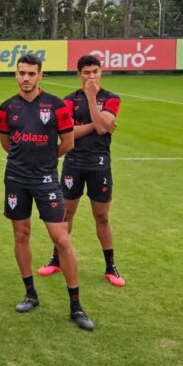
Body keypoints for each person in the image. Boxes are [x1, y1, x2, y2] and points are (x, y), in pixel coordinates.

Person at [0, 53, 93, 330]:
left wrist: (45, 161)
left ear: (40, 75)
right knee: (21, 233)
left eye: (31, 73)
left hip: (46, 180)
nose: (26, 78)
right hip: (16, 179)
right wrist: (24, 160)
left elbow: (67, 142)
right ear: (16, 74)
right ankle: (30, 293)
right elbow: (7, 143)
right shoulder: (7, 108)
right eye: (21, 73)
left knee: (61, 238)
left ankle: (76, 305)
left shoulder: (56, 105)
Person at [39, 54, 124, 285]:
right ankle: (56, 259)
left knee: (102, 216)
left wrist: (91, 99)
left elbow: (104, 126)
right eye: (86, 73)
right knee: (65, 215)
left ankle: (110, 266)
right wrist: (96, 125)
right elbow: (68, 133)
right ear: (79, 74)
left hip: (99, 165)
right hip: (73, 163)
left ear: (101, 72)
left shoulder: (111, 99)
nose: (91, 77)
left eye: (95, 71)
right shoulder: (67, 101)